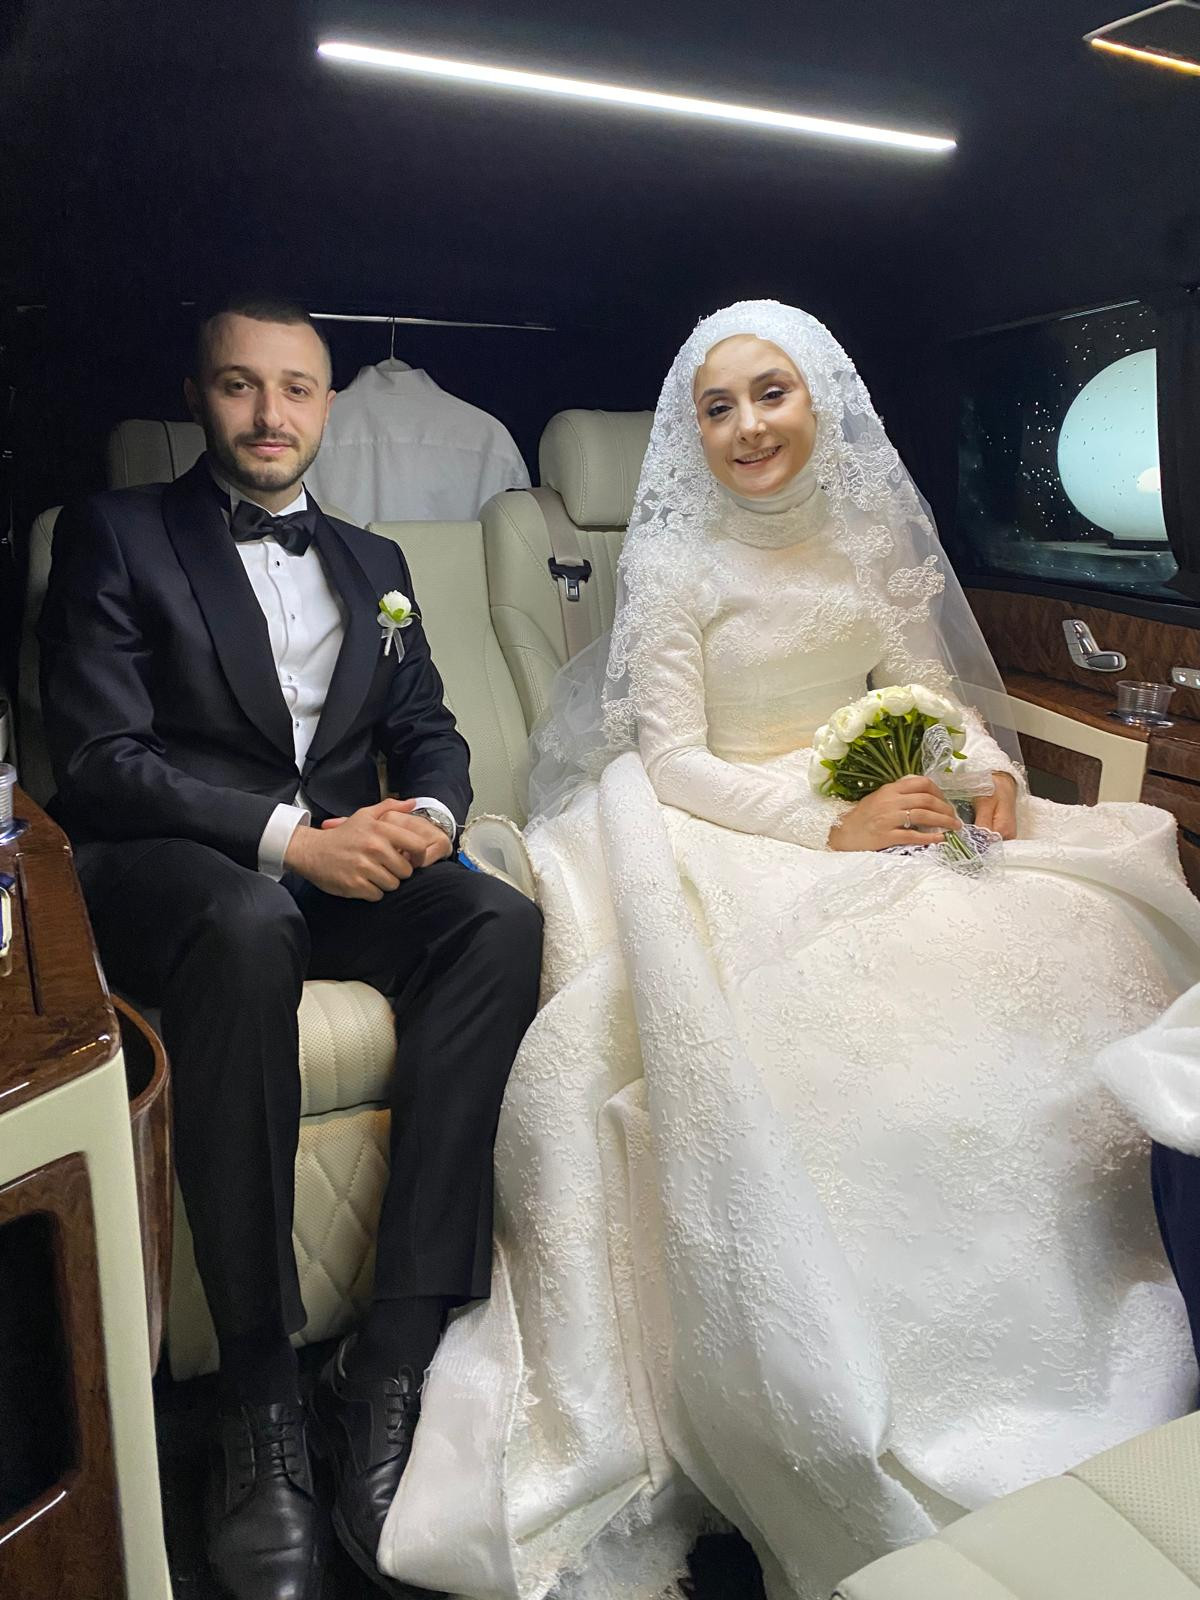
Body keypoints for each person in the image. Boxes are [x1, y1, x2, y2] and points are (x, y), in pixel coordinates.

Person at [376, 302, 1200, 1600]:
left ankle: (1088, 1327)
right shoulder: (678, 568)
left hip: (877, 808)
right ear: (691, 432)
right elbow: (672, 759)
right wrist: (828, 824)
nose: (748, 427)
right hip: (724, 823)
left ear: (823, 399)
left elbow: (931, 699)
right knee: (836, 1025)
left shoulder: (874, 541)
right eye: (718, 408)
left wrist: (979, 773)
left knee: (1069, 933)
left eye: (772, 394)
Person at [38, 296, 543, 1600]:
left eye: (297, 389)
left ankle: (389, 1364)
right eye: (240, 385)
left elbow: (428, 729)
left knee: (498, 921)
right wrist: (291, 842)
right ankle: (258, 1397)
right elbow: (100, 763)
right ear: (199, 397)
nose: (271, 415)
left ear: (328, 404)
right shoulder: (113, 532)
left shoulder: (375, 560)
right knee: (253, 919)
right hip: (181, 871)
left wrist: (429, 822)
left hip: (332, 864)